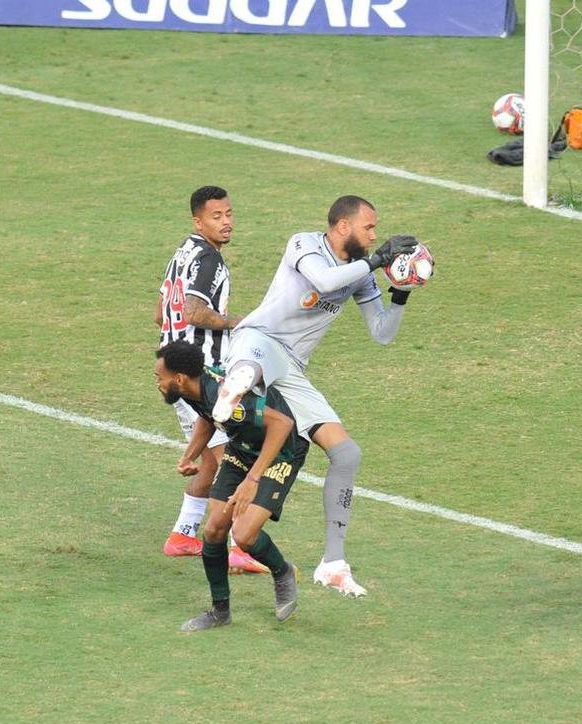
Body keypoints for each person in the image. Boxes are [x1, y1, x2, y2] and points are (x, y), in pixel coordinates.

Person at [211, 196, 419, 597]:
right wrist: (377, 260)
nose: (374, 235)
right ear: (343, 226)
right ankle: (233, 389)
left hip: (292, 367)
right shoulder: (304, 244)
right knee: (250, 368)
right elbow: (324, 282)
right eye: (369, 227)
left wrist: (401, 290)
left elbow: (382, 333)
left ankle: (333, 562)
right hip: (258, 339)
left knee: (347, 454)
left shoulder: (359, 274)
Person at [154, 186, 265, 575]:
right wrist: (236, 323)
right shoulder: (209, 260)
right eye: (217, 216)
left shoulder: (181, 254)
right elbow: (195, 311)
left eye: (229, 214)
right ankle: (238, 545)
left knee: (213, 459)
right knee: (234, 458)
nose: (227, 222)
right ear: (198, 221)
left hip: (175, 368)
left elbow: (160, 313)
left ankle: (184, 534)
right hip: (197, 375)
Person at [154, 341, 302, 631]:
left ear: (179, 379)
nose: (159, 384)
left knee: (244, 535)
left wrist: (252, 479)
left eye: (160, 378)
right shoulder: (195, 389)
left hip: (280, 452)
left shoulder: (230, 399)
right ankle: (220, 611)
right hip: (241, 449)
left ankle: (282, 573)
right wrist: (189, 455)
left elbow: (282, 424)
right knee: (213, 530)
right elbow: (207, 417)